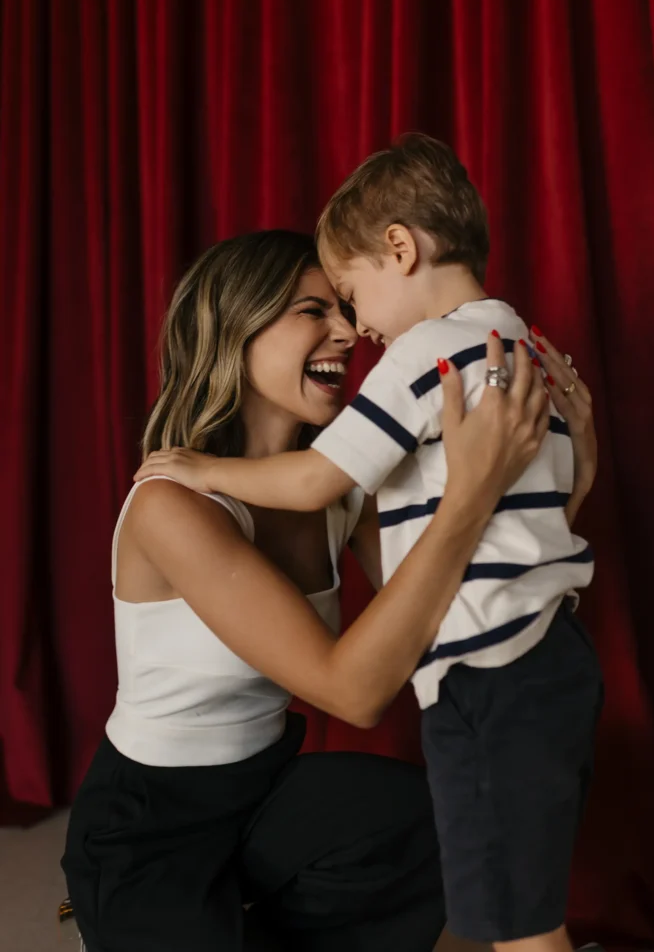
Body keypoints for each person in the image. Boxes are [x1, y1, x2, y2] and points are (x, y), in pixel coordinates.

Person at [137, 140, 602, 952]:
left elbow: (417, 566)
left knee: (494, 883)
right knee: (497, 876)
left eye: (345, 301)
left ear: (399, 249)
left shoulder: (380, 435)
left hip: (327, 755)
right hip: (160, 817)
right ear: (235, 332)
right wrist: (510, 489)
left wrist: (557, 476)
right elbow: (358, 685)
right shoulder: (171, 506)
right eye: (314, 310)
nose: (353, 332)